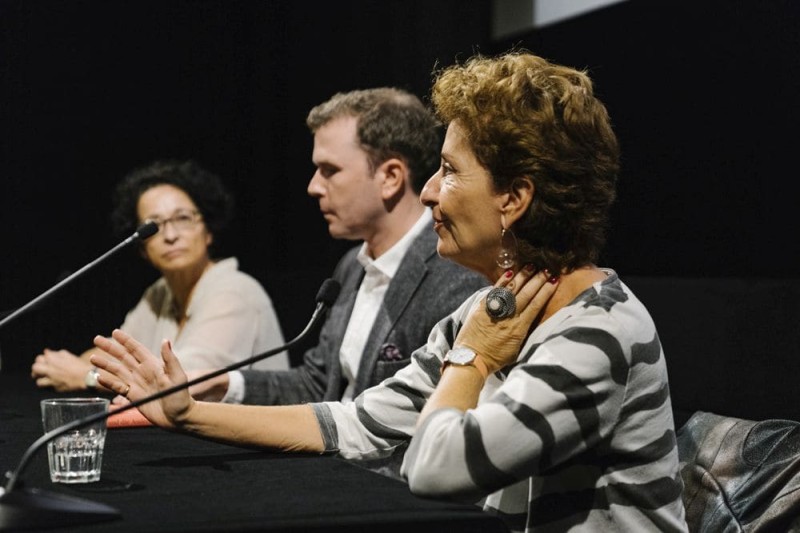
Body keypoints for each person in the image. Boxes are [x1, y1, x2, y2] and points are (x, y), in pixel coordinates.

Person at [92, 51, 688, 531]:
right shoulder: (484, 311)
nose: (429, 191)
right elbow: (354, 423)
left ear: (514, 198)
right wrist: (191, 413)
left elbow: (437, 468)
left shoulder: (597, 330)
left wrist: (473, 358)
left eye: (450, 170)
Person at [185, 87, 487, 408]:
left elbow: (433, 415)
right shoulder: (352, 266)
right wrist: (222, 384)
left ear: (390, 177)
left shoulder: (457, 272)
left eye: (329, 171)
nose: (313, 187)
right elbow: (319, 385)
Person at [31, 159, 289, 392]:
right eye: (154, 226)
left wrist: (87, 376)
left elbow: (180, 384)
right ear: (142, 248)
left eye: (183, 218)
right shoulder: (159, 294)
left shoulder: (236, 292)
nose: (170, 236)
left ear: (208, 231)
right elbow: (115, 352)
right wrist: (63, 365)